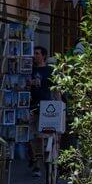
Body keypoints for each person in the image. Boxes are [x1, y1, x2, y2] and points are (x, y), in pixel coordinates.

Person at [28, 47, 56, 176]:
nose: (35, 56)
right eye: (34, 53)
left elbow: (55, 88)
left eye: (37, 53)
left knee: (43, 136)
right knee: (33, 136)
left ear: (44, 56)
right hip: (32, 104)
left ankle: (43, 164)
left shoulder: (49, 70)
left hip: (45, 106)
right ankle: (36, 162)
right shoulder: (30, 70)